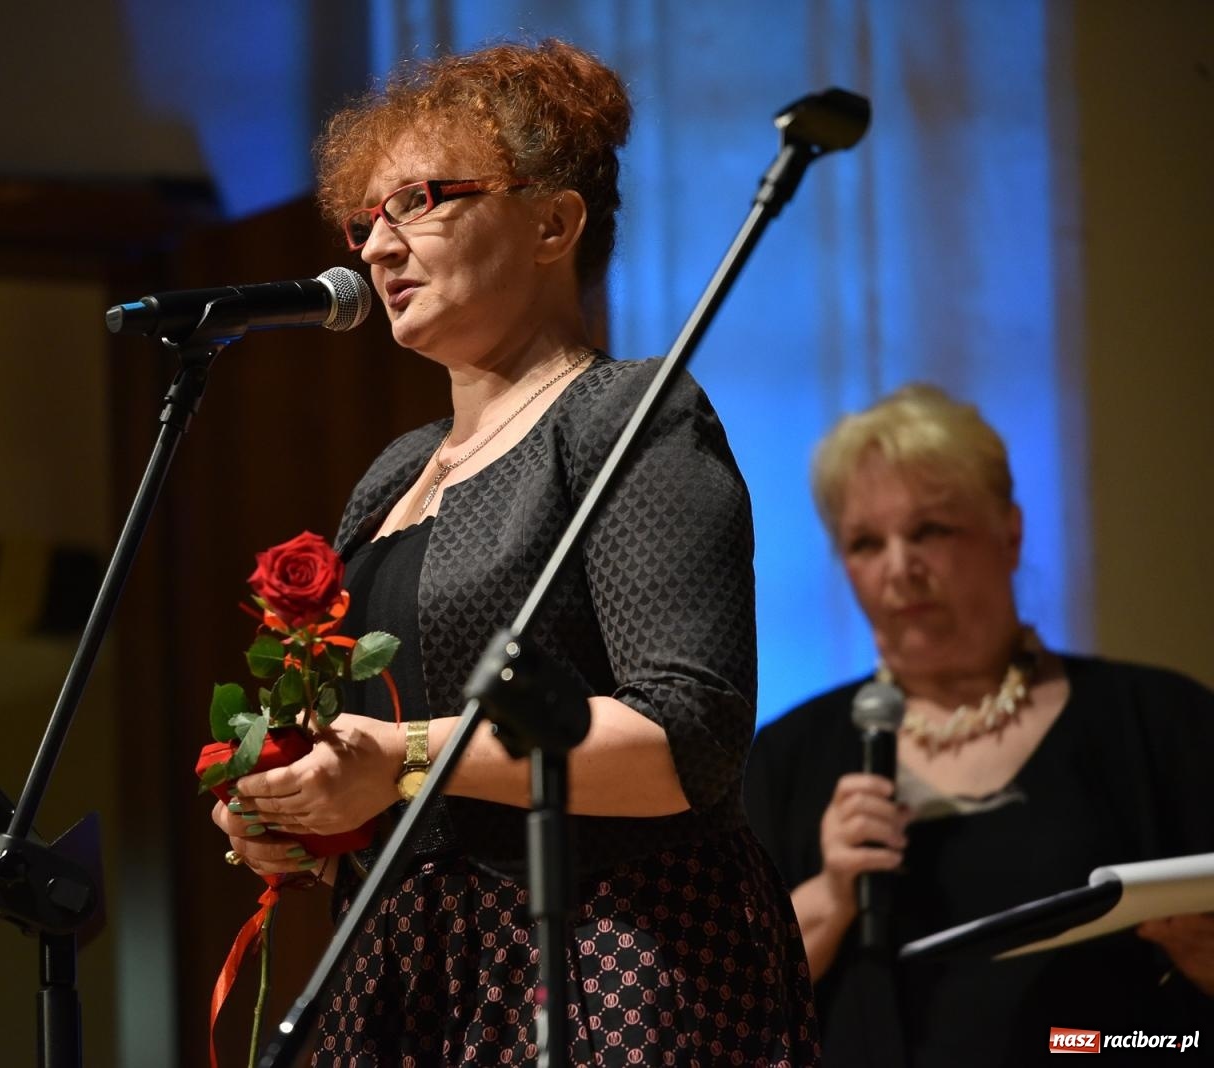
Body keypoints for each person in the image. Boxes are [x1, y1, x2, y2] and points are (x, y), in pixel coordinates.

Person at [209, 39, 820, 1066]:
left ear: (552, 221)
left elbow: (690, 740)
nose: (376, 247)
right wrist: (300, 809)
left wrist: (397, 762)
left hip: (608, 955)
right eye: (367, 220)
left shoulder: (626, 416)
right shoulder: (390, 476)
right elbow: (387, 756)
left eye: (419, 202)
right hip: (407, 971)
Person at [744, 384, 1214, 1067]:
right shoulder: (788, 757)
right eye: (866, 543)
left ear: (1011, 534)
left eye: (931, 530)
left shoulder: (1160, 724)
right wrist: (833, 894)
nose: (900, 568)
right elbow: (726, 1011)